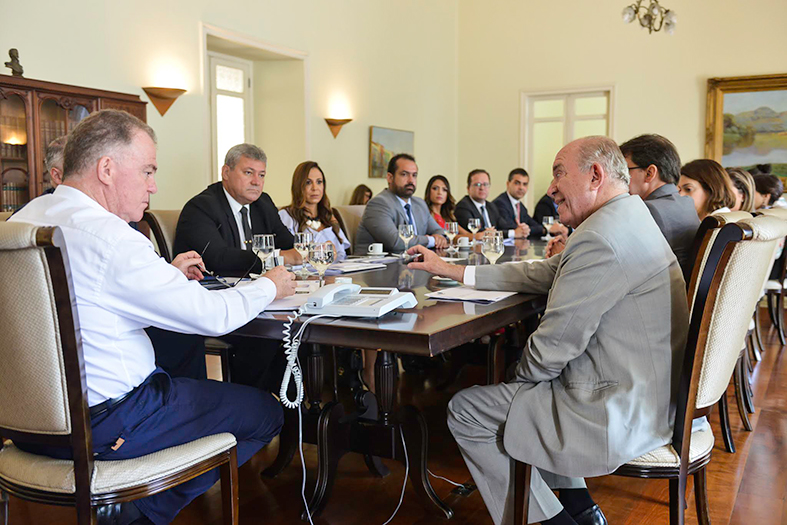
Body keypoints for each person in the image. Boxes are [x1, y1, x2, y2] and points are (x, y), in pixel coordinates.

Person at [9, 109, 296, 525]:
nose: (154, 185)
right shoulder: (111, 237)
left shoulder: (26, 218)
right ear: (107, 169)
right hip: (111, 425)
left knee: (178, 358)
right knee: (266, 412)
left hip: (28, 425)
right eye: (147, 171)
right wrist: (270, 284)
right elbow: (214, 316)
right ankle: (138, 509)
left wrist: (164, 276)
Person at [407, 136, 688, 525]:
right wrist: (455, 270)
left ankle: (551, 521)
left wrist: (517, 384)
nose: (550, 187)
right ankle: (579, 509)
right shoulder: (627, 217)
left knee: (467, 409)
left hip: (618, 409)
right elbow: (544, 271)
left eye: (558, 173)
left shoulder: (601, 238)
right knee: (527, 389)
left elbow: (551, 350)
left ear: (595, 175)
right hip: (650, 393)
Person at [173, 143, 300, 276]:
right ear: (226, 173)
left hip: (256, 287)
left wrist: (313, 250)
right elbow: (218, 258)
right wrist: (279, 257)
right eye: (248, 173)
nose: (256, 182)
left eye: (261, 175)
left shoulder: (263, 203)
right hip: (213, 290)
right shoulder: (201, 207)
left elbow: (290, 245)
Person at [619, 134, 699, 278]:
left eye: (625, 172)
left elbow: (621, 266)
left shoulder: (648, 211)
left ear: (649, 173)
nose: (620, 180)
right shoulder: (686, 204)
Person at [354, 153, 447, 253]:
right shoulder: (379, 204)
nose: (411, 180)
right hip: (378, 266)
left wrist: (439, 237)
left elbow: (440, 232)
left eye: (414, 175)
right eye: (404, 174)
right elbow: (396, 242)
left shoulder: (420, 204)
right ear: (390, 178)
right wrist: (431, 240)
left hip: (412, 264)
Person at [279, 161, 351, 259]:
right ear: (298, 186)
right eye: (308, 182)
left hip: (335, 272)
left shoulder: (329, 216)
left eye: (319, 182)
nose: (315, 188)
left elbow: (342, 254)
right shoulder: (286, 216)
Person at [493, 168, 567, 239]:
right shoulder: (500, 203)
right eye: (517, 183)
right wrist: (548, 229)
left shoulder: (521, 207)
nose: (521, 187)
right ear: (508, 184)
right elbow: (514, 229)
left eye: (525, 184)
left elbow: (534, 224)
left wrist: (548, 228)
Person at [455, 169, 528, 238]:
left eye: (486, 184)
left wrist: (521, 229)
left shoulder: (491, 206)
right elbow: (480, 233)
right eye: (477, 184)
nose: (482, 188)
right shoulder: (463, 207)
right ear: (468, 188)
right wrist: (513, 233)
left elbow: (504, 226)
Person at [424, 174, 476, 238]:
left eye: (444, 190)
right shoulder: (426, 215)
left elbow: (468, 235)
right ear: (428, 191)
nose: (440, 192)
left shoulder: (448, 217)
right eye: (435, 188)